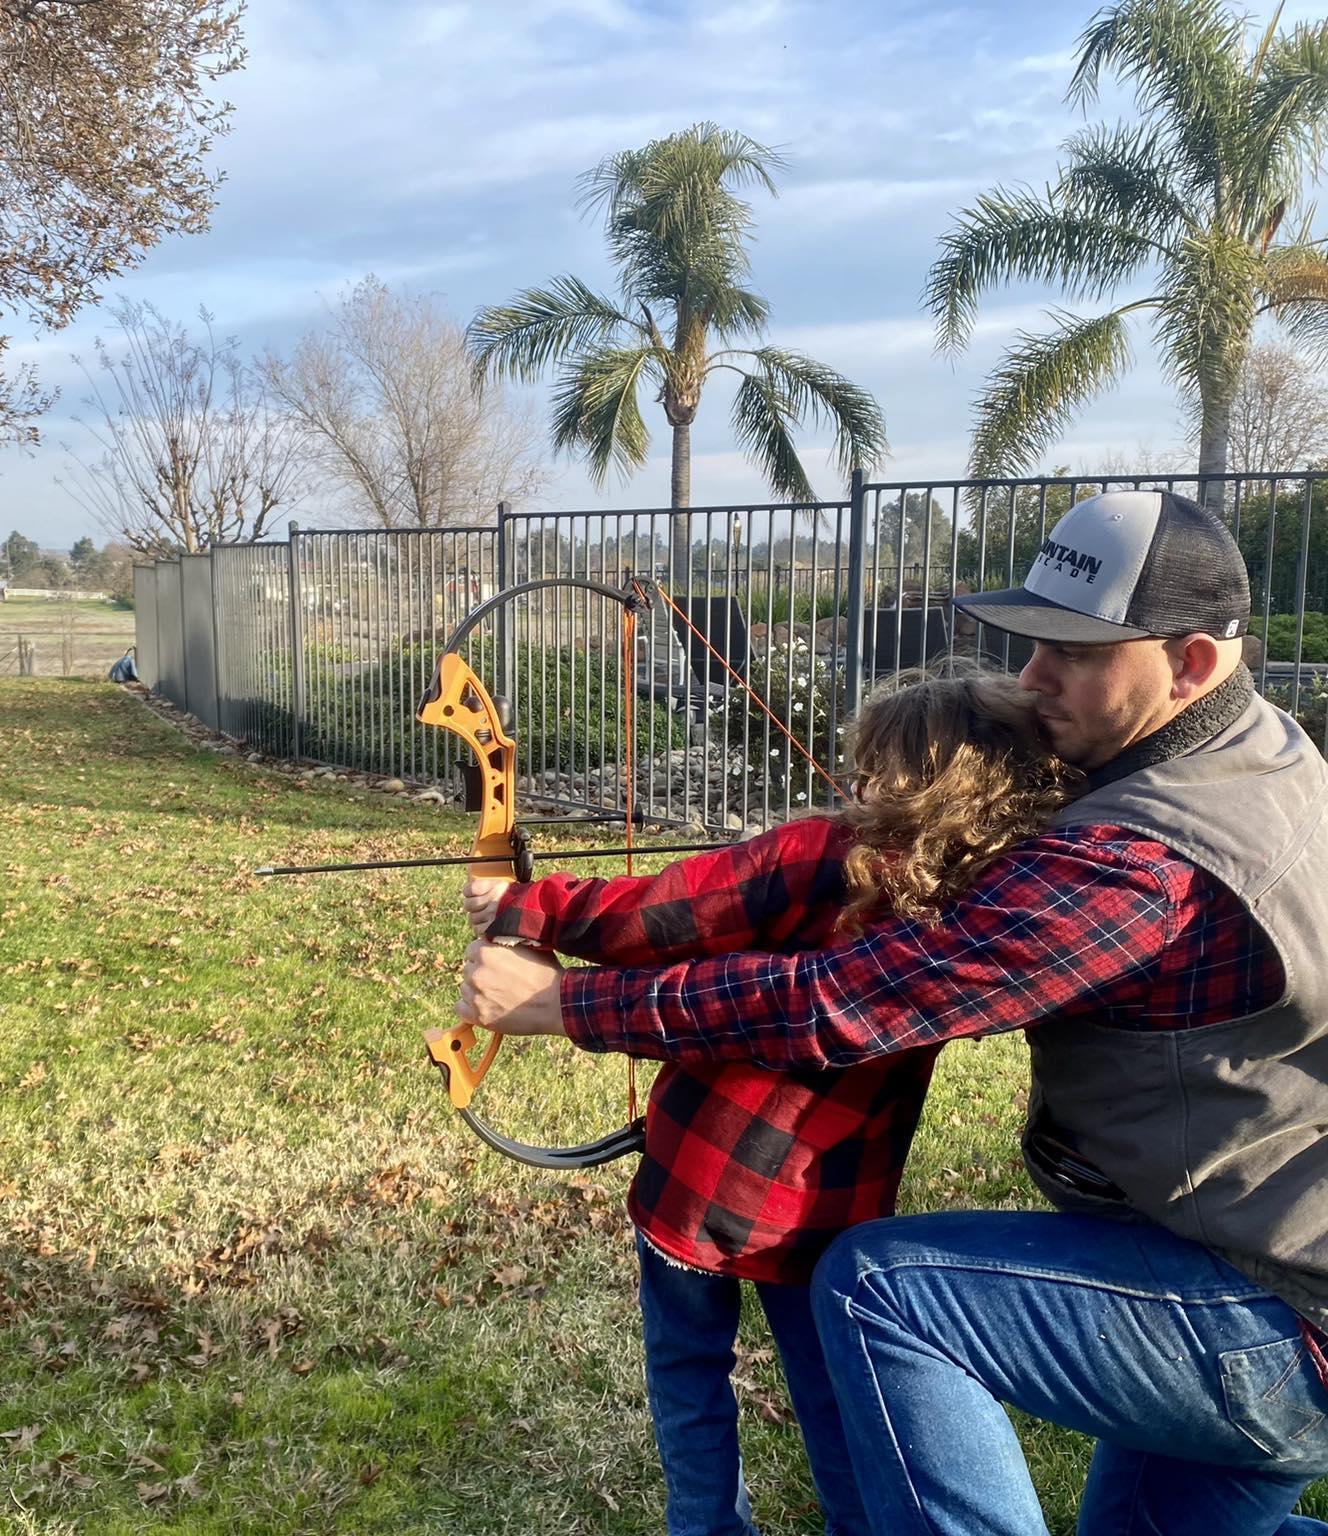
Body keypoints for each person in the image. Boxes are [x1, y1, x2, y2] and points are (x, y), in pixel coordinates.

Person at [458, 489, 1328, 1536]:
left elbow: (838, 1001)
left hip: (1266, 1310)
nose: (1031, 677)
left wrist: (564, 1001)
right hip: (1250, 1259)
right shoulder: (1266, 752)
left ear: (1189, 663)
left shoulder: (1141, 865)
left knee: (880, 1289)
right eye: (1032, 643)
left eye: (1074, 652)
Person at [465, 671, 1079, 1536]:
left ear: (892, 773)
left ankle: (707, 1526)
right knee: (831, 1389)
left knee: (688, 1374)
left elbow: (660, 914)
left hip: (695, 1183)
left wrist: (531, 904)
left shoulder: (818, 855)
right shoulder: (972, 912)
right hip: (824, 1209)